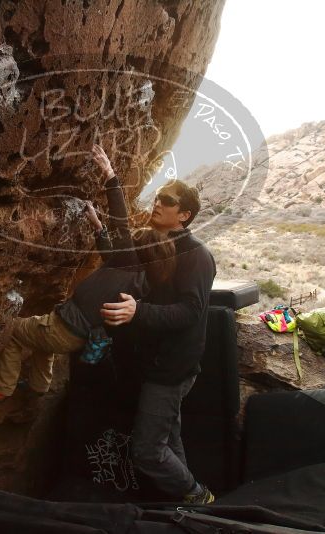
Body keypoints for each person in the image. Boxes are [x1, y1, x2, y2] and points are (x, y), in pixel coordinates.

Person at [0, 145, 176, 400]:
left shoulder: (132, 263)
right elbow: (110, 253)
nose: (135, 241)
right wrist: (97, 225)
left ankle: (0, 389)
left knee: (15, 331)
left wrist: (109, 173)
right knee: (42, 344)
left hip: (65, 327)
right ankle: (39, 386)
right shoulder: (140, 278)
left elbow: (120, 221)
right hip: (74, 335)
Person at [100, 179, 217, 504]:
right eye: (158, 197)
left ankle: (198, 496)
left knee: (148, 450)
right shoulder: (156, 244)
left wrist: (139, 311)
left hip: (172, 367)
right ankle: (189, 503)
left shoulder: (196, 254)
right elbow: (121, 253)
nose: (158, 203)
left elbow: (190, 311)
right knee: (169, 438)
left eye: (167, 200)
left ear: (184, 215)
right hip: (156, 362)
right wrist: (111, 183)